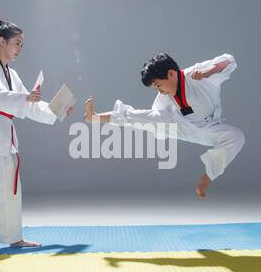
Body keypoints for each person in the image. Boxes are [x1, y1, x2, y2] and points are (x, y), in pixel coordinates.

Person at [0, 20, 74, 270]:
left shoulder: (13, 74)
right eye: (16, 43)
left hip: (5, 132)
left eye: (22, 44)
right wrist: (25, 97)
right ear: (2, 42)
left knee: (11, 189)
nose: (20, 48)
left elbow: (29, 106)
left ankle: (14, 237)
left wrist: (58, 110)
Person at [84, 52, 244, 199]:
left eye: (158, 85)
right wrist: (96, 117)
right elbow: (140, 117)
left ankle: (207, 178)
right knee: (145, 118)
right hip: (180, 125)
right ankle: (95, 117)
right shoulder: (164, 97)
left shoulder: (196, 74)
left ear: (171, 74)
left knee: (236, 138)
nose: (159, 91)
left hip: (210, 128)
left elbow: (228, 61)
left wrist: (207, 72)